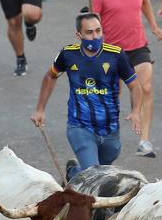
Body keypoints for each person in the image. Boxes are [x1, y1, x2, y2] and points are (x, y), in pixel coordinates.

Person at [33, 11, 143, 180]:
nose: (95, 36)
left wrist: (136, 111)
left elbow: (135, 86)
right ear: (79, 35)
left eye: (98, 31)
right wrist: (40, 109)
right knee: (94, 175)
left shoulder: (116, 55)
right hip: (80, 126)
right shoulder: (68, 54)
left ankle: (73, 174)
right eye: (89, 32)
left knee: (101, 173)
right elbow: (50, 76)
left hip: (110, 129)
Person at [93, 0, 162, 157]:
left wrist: (154, 26)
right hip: (112, 52)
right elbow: (93, 24)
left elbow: (145, 3)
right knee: (113, 95)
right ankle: (107, 136)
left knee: (147, 87)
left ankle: (145, 141)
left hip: (138, 47)